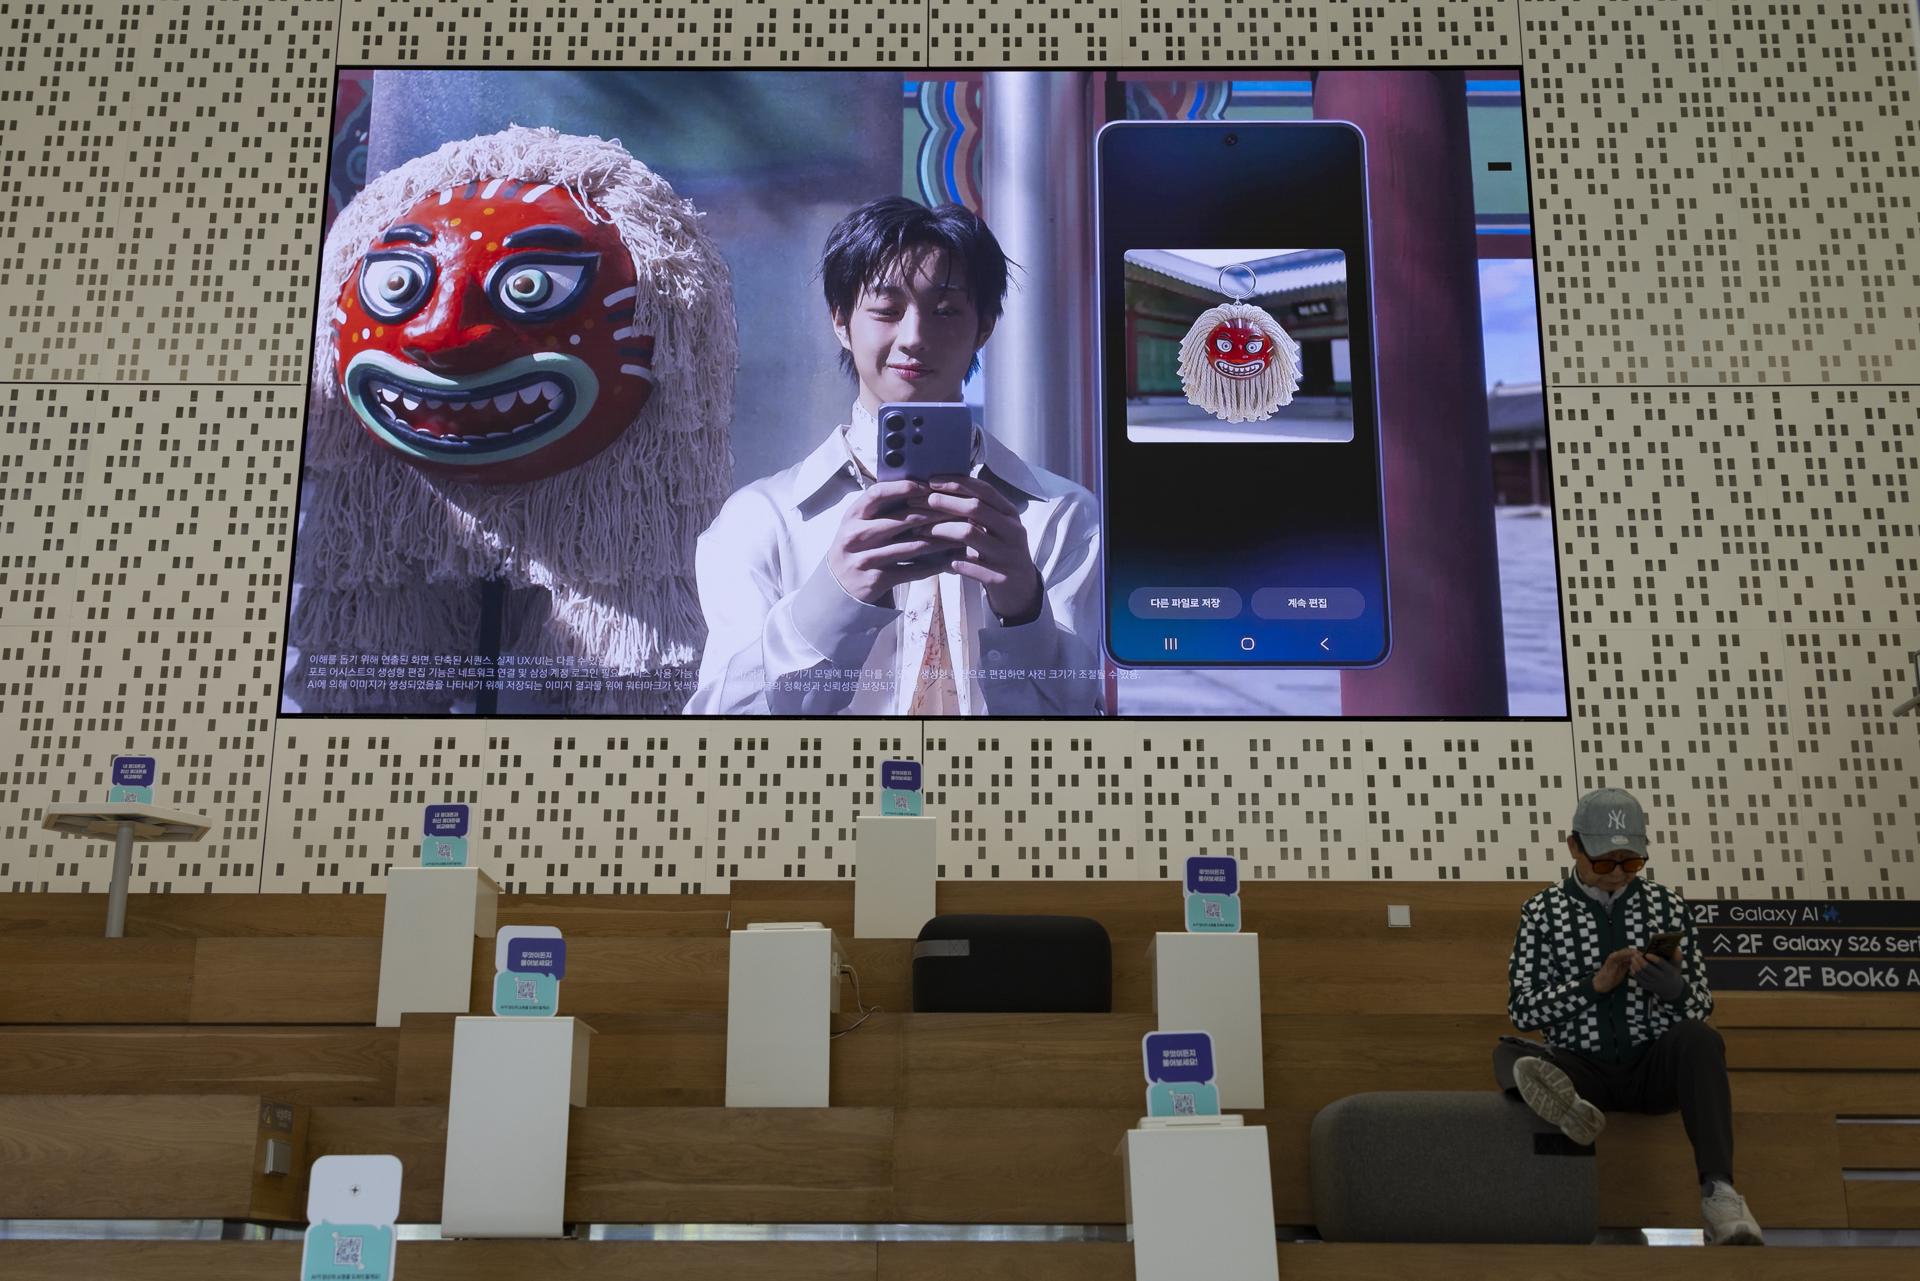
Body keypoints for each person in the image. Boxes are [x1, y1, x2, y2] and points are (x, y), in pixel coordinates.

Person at [685, 196, 1102, 715]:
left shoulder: (1060, 516)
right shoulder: (759, 520)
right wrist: (835, 598)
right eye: (885, 310)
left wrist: (1023, 609)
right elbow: (723, 733)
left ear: (985, 327)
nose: (915, 338)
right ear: (841, 321)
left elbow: (1078, 733)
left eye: (946, 311)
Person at [1496, 788, 1764, 1246]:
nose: (1618, 873)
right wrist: (1593, 986)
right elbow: (1523, 1008)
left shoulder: (1668, 906)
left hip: (1649, 1068)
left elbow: (1699, 1006)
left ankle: (1720, 1194)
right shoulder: (1540, 912)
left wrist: (1674, 989)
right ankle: (1572, 1113)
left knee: (1700, 1039)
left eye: (1631, 862)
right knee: (1511, 1057)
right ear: (1574, 847)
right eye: (1604, 862)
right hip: (1581, 1067)